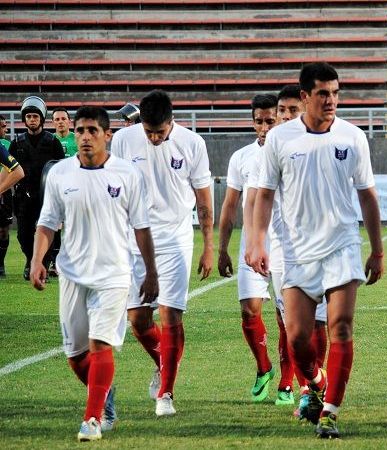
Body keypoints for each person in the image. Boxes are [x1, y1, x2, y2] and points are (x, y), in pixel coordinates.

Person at [248, 62, 384, 439]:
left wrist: (376, 249)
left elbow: (368, 196)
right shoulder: (280, 139)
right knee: (297, 339)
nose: (331, 100)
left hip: (341, 247)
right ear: (305, 96)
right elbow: (264, 195)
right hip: (296, 252)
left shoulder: (353, 137)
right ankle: (317, 380)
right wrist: (257, 241)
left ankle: (330, 413)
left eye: (336, 93)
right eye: (323, 93)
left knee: (341, 326)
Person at [31, 106, 158, 441]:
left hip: (114, 274)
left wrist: (151, 272)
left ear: (107, 135)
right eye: (80, 130)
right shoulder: (60, 173)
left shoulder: (127, 174)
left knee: (99, 344)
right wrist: (37, 260)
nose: (85, 137)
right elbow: (47, 224)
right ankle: (104, 395)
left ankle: (92, 419)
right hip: (73, 274)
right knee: (75, 357)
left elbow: (142, 227)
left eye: (92, 131)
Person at [111, 89, 214, 417]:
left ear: (172, 122)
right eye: (149, 131)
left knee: (171, 315)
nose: (154, 138)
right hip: (133, 241)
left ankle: (166, 393)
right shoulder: (124, 140)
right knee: (138, 320)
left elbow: (203, 200)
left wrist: (208, 246)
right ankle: (162, 363)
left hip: (175, 240)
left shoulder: (193, 143)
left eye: (160, 132)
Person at [217, 94, 279, 402]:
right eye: (259, 121)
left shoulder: (290, 152)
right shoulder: (241, 157)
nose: (265, 127)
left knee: (288, 317)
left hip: (284, 243)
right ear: (252, 121)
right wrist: (222, 248)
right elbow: (230, 205)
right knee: (249, 309)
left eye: (271, 120)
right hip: (251, 242)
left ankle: (287, 384)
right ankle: (265, 367)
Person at [7, 96, 65, 280]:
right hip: (23, 196)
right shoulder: (17, 143)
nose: (32, 119)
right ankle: (30, 260)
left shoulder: (52, 141)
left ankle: (44, 266)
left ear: (42, 118)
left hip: (47, 195)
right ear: (24, 119)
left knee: (49, 232)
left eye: (35, 116)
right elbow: (10, 169)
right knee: (23, 234)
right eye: (29, 116)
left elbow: (61, 170)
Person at [0, 115, 25, 277]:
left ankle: (0, 264)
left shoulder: (6, 146)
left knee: (3, 230)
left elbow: (16, 171)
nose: (6, 129)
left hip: (5, 192)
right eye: (2, 126)